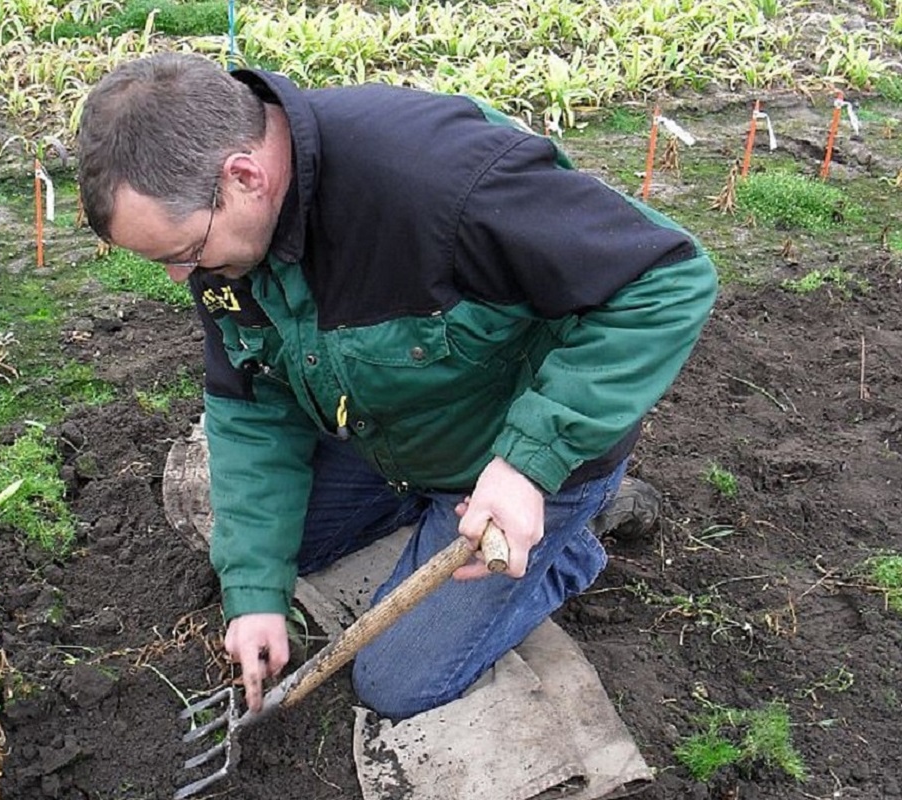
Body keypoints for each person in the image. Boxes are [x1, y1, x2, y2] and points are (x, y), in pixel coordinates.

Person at [77, 52, 717, 720]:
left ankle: (569, 540)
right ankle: (421, 510)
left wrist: (529, 466)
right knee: (252, 544)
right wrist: (254, 594)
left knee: (393, 680)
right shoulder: (228, 240)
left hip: (514, 451)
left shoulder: (438, 182)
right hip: (388, 427)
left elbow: (669, 279)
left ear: (244, 176)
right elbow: (252, 406)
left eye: (182, 254)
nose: (184, 279)